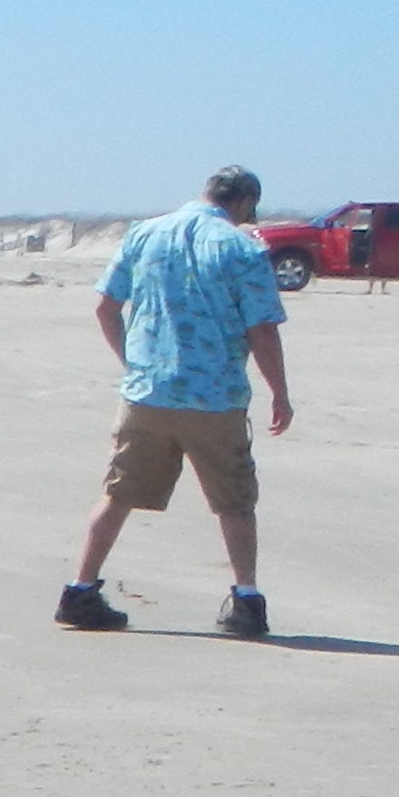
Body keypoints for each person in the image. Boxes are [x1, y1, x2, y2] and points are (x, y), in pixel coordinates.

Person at [58, 166, 293, 638]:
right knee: (234, 502)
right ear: (244, 202)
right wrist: (280, 394)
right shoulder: (242, 247)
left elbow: (106, 306)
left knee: (118, 493)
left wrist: (134, 362)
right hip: (214, 396)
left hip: (147, 394)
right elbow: (261, 328)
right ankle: (246, 599)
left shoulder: (145, 233)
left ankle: (80, 590)